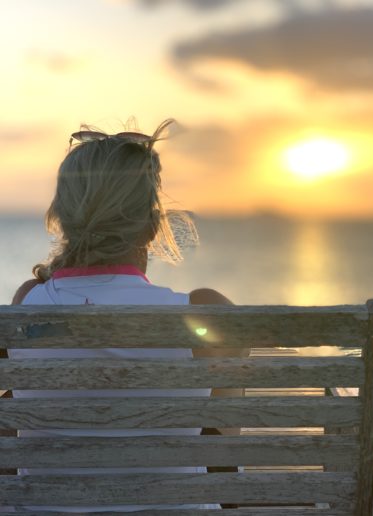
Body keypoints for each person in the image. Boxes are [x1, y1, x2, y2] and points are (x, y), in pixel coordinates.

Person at [11, 119, 244, 512]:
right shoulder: (208, 310)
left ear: (62, 218)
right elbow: (226, 426)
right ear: (153, 225)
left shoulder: (28, 303)